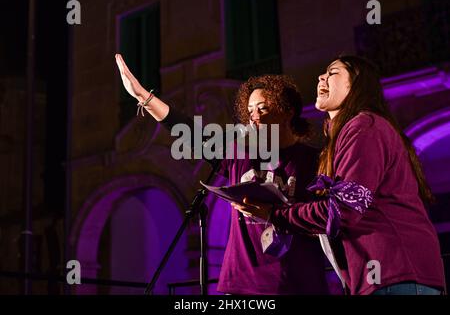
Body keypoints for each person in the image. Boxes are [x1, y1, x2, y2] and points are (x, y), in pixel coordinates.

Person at [115, 53, 330, 294]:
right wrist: (144, 96)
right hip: (241, 284)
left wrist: (277, 213)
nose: (254, 116)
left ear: (288, 111)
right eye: (249, 110)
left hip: (297, 284)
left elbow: (329, 219)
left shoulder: (315, 160)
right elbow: (190, 133)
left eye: (263, 108)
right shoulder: (239, 154)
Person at [232, 55, 446, 295]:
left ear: (355, 86)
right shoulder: (352, 132)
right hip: (386, 277)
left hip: (395, 276)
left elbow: (345, 209)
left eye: (333, 73)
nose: (321, 77)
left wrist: (275, 214)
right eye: (323, 72)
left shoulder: (364, 127)